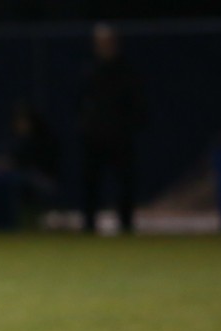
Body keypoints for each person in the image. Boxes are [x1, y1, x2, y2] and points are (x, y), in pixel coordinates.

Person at [78, 22, 146, 234]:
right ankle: (89, 225)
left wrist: (129, 126)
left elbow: (137, 104)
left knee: (125, 182)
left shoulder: (126, 71)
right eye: (99, 42)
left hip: (119, 137)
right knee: (91, 183)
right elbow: (78, 102)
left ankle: (126, 224)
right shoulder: (88, 71)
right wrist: (85, 125)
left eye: (107, 42)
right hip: (93, 136)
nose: (103, 46)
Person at [0, 102, 60, 230]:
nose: (20, 124)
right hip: (13, 176)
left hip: (38, 178)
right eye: (18, 121)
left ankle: (9, 224)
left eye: (24, 121)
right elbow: (1, 157)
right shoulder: (11, 138)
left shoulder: (43, 140)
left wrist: (14, 165)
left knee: (11, 180)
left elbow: (38, 165)